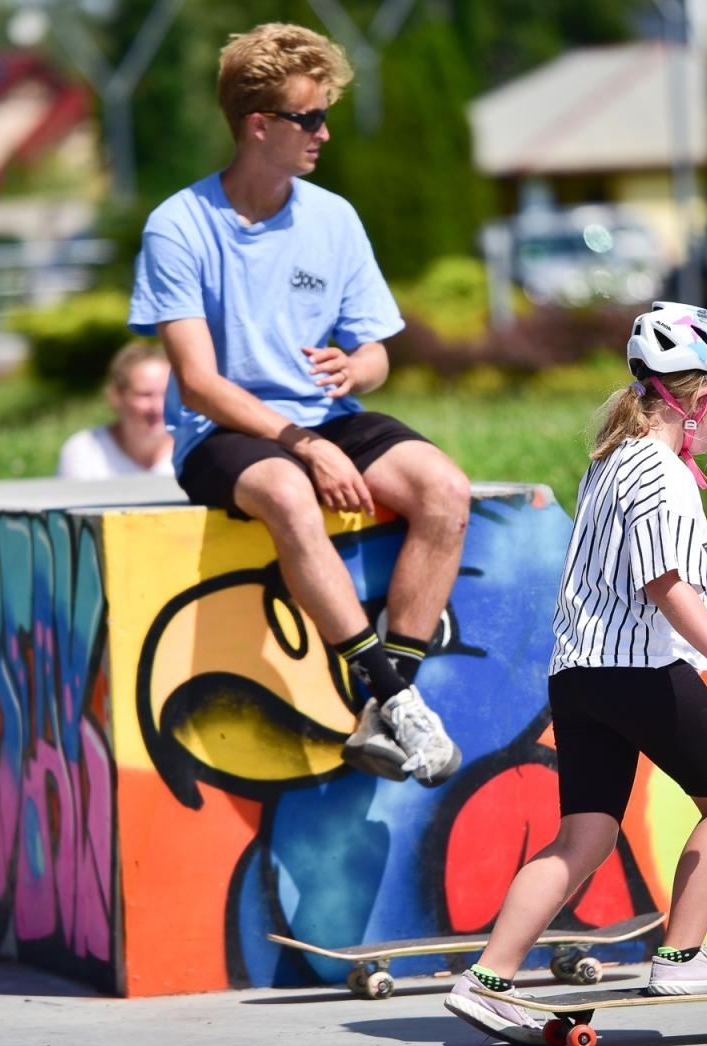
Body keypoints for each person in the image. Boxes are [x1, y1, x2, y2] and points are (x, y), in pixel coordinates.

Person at [128, 23, 469, 787]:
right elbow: (197, 383)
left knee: (444, 489)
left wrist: (357, 367)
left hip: (325, 417)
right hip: (225, 431)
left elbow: (378, 351)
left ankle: (391, 701)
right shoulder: (178, 227)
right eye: (309, 118)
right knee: (288, 488)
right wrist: (305, 446)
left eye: (324, 115)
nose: (325, 132)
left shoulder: (333, 218)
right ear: (259, 126)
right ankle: (389, 693)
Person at [443, 302, 707, 1045]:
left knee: (582, 836)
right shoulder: (659, 472)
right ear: (701, 400)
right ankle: (683, 956)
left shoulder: (613, 459)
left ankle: (488, 980)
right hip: (638, 668)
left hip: (579, 675)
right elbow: (666, 584)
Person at [56, 341, 176, 479]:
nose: (158, 407)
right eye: (145, 395)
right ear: (115, 396)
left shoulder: (193, 452)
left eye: (167, 393)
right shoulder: (84, 451)